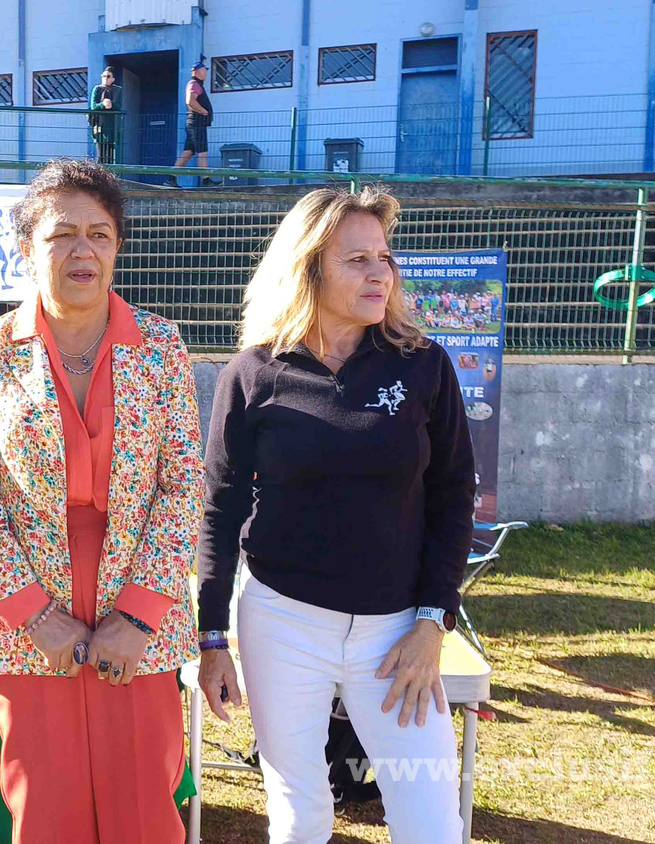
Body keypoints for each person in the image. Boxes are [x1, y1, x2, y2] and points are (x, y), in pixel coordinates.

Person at [197, 186, 476, 843]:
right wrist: (211, 639)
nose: (380, 272)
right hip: (282, 623)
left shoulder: (424, 366)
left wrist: (434, 620)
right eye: (357, 259)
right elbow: (220, 506)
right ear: (309, 267)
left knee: (429, 817)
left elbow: (452, 493)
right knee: (301, 812)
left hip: (397, 633)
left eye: (384, 257)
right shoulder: (254, 373)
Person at [0, 158, 203, 844]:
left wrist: (141, 613)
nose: (82, 250)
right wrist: (35, 615)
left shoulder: (161, 347)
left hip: (139, 609)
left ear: (117, 246)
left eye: (99, 233)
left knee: (145, 809)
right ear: (28, 248)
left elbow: (183, 488)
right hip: (29, 613)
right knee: (46, 812)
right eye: (61, 234)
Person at [166, 61, 218, 187]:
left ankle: (171, 178)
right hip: (197, 124)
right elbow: (190, 100)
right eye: (204, 70)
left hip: (195, 124)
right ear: (198, 71)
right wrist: (204, 112)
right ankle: (206, 180)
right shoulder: (194, 84)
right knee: (203, 152)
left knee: (188, 153)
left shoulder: (197, 84)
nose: (206, 72)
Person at [88, 67, 121, 164]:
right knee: (100, 154)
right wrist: (103, 104)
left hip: (112, 125)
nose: (105, 78)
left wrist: (111, 104)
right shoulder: (97, 89)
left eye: (108, 76)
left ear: (113, 79)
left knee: (110, 155)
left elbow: (119, 105)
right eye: (103, 76)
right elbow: (93, 106)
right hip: (99, 125)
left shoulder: (117, 90)